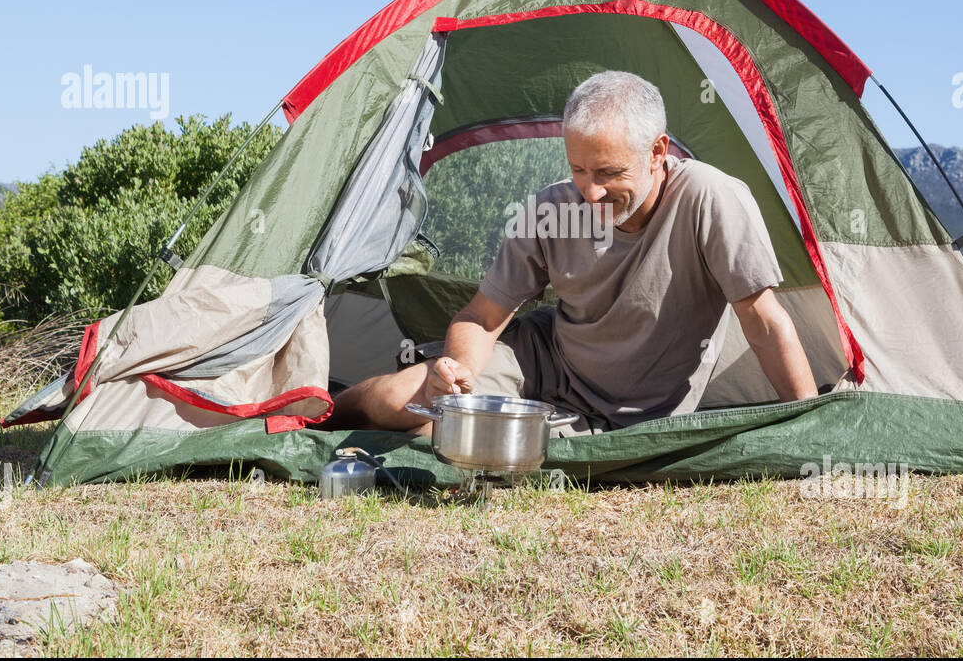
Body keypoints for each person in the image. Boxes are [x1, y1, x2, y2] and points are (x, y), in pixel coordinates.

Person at [330, 70, 818, 436]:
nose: (591, 192)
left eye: (608, 173)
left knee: (436, 437)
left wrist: (810, 426)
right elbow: (482, 315)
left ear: (657, 152)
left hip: (631, 413)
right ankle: (317, 415)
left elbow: (766, 322)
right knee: (400, 399)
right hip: (544, 363)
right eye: (578, 169)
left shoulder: (709, 199)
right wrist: (455, 376)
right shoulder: (551, 208)